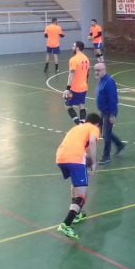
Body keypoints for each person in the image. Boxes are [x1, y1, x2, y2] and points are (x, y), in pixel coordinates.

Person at [55, 112, 102, 240]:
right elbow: (92, 142)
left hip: (60, 156)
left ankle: (76, 214)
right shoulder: (94, 128)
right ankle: (66, 224)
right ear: (97, 124)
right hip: (74, 158)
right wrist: (94, 162)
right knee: (82, 195)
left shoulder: (77, 128)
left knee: (76, 185)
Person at [94, 62, 125, 164]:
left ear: (104, 70)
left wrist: (112, 114)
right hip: (103, 111)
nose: (96, 72)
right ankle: (119, 144)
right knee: (105, 133)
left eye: (98, 70)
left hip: (109, 112)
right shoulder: (101, 81)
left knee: (106, 134)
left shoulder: (109, 82)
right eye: (95, 70)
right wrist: (100, 110)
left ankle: (106, 156)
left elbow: (113, 99)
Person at [62, 41, 90, 125]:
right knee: (81, 105)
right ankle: (83, 123)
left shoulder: (73, 60)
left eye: (73, 46)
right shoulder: (86, 59)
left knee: (67, 105)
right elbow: (87, 73)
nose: (72, 47)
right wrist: (85, 82)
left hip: (75, 88)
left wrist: (67, 88)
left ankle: (78, 124)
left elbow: (72, 74)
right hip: (84, 86)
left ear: (77, 48)